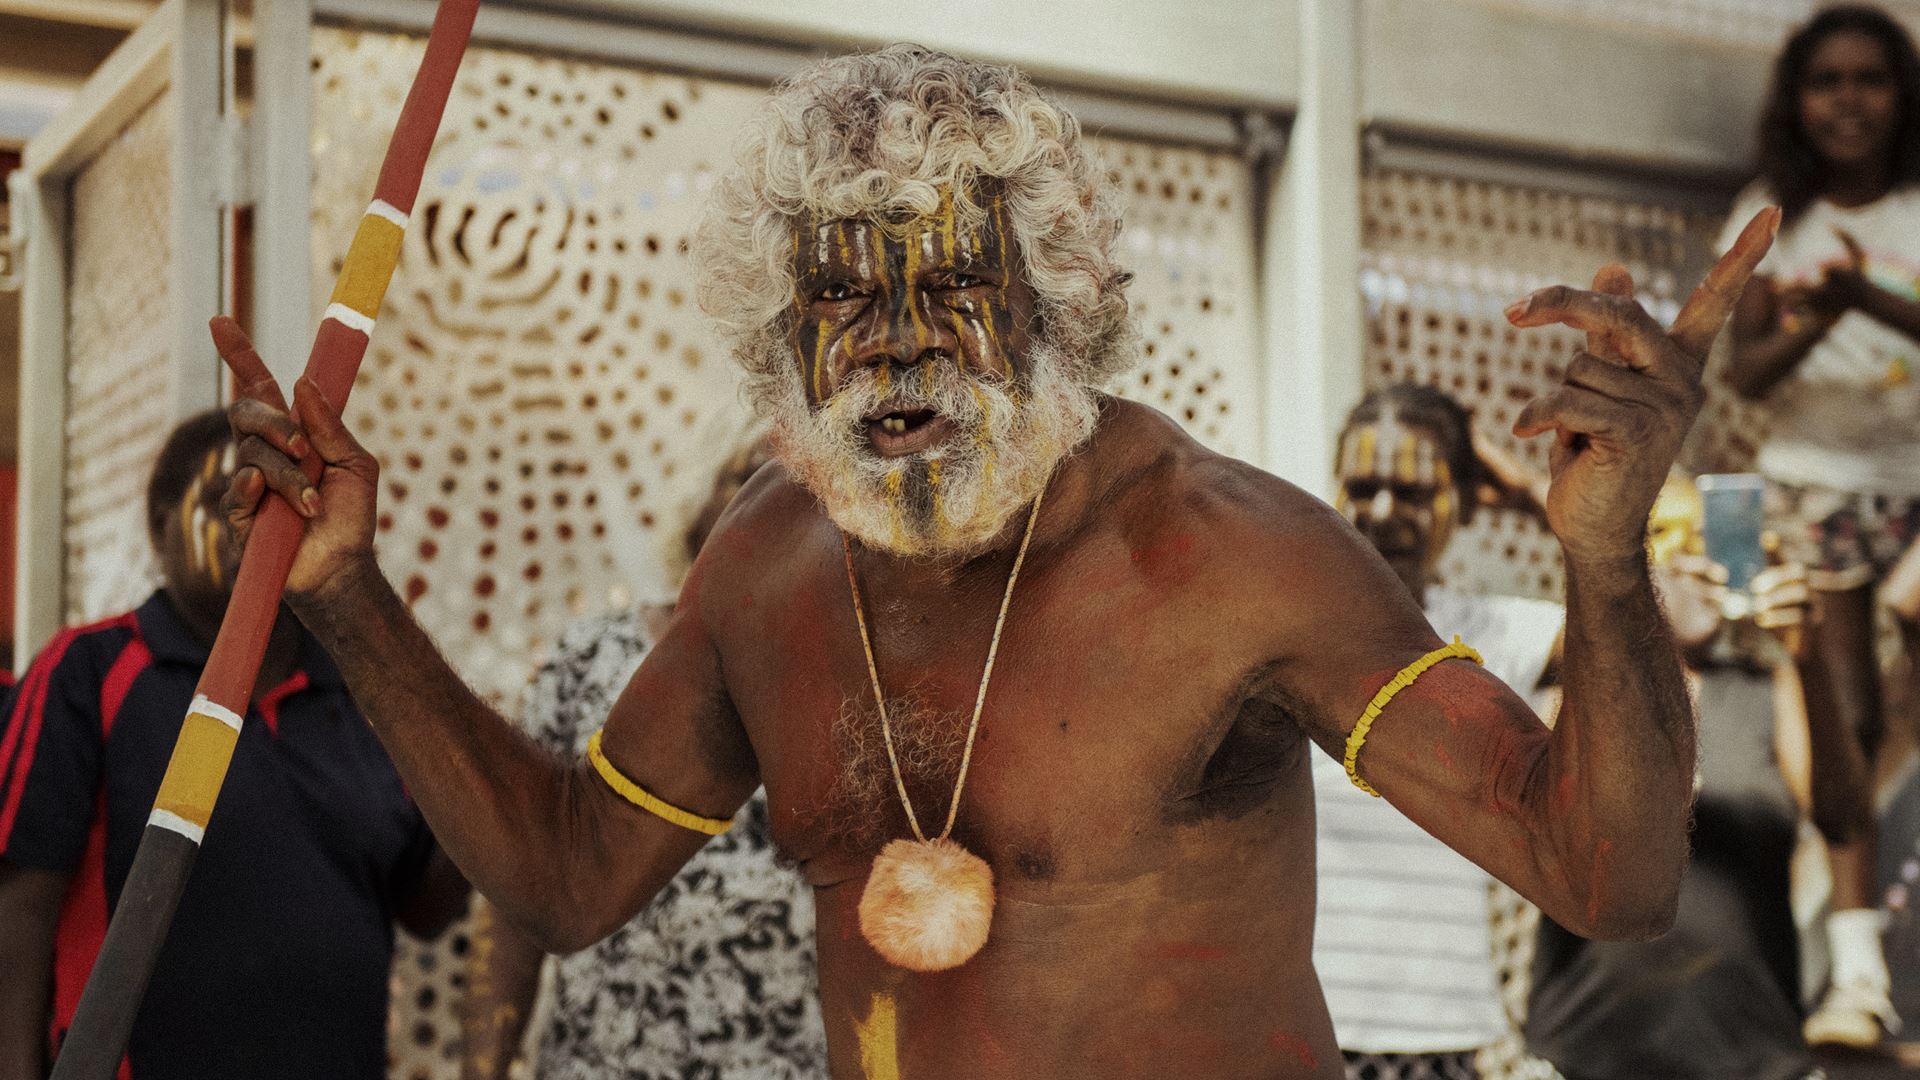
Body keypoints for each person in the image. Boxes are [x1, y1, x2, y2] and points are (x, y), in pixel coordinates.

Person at [217, 45, 1776, 1078]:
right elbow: (565, 877)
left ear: (1056, 305)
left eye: (951, 285)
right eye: (845, 301)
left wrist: (1608, 566)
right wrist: (352, 594)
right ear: (783, 338)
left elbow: (1608, 876)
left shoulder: (1231, 558)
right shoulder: (769, 571)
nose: (897, 345)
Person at [0, 410, 468, 1079]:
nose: (260, 531)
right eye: (232, 504)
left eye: (283, 506)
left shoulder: (365, 694)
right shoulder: (90, 671)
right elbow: (18, 911)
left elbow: (424, 908)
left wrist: (474, 772)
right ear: (161, 525)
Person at [460, 440, 827, 1080]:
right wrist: (482, 1066)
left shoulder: (854, 682)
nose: (775, 501)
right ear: (704, 507)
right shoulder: (591, 654)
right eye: (750, 476)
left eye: (807, 486)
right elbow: (521, 880)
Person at [1720, 4, 1920, 1045]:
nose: (1848, 101)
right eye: (1827, 81)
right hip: (1813, 492)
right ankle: (1855, 974)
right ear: (1797, 100)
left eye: (1870, 80)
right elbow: (1743, 373)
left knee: (1892, 707)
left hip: (1916, 487)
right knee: (1845, 726)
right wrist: (1821, 315)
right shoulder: (1770, 216)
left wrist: (1871, 300)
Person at [1525, 475, 1819, 1080]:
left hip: (1754, 1053)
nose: (1693, 561)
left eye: (1707, 539)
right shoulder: (1583, 690)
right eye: (1666, 539)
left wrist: (1804, 655)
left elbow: (1841, 817)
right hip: (1588, 1053)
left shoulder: (1766, 688)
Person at [1313, 385, 1563, 1080]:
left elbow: (1657, 622)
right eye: (1363, 486)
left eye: (1414, 492)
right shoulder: (1290, 633)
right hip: (1298, 1026)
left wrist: (1528, 496)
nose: (1385, 512)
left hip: (1441, 1039)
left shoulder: (1492, 637)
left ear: (1464, 501)